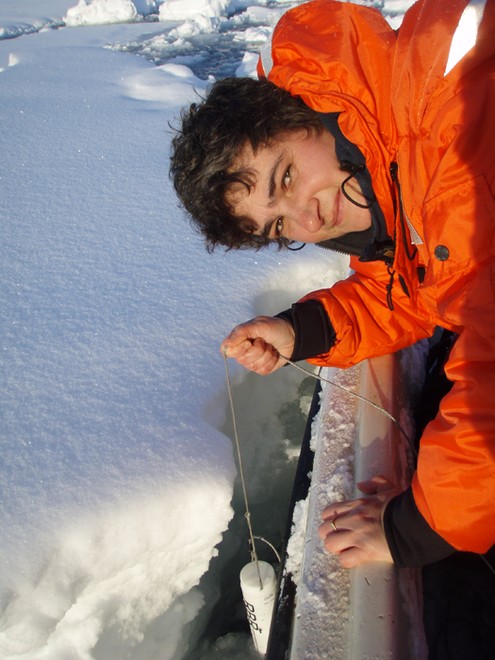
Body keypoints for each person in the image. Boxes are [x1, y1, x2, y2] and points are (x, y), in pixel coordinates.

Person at [170, 0, 495, 570]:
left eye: (287, 177)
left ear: (308, 113)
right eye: (279, 224)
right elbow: (411, 287)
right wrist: (300, 329)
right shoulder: (396, 164)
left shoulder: (447, 108)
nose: (309, 222)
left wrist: (421, 527)